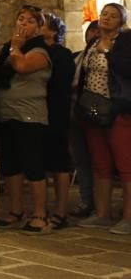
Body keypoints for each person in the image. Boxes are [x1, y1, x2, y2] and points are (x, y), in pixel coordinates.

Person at [0, 6, 52, 235]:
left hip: (29, 115)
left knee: (33, 165)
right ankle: (16, 211)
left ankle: (40, 215)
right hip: (7, 113)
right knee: (10, 165)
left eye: (29, 21)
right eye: (20, 19)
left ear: (38, 27)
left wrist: (15, 47)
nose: (23, 24)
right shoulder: (9, 49)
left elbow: (22, 66)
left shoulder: (40, 50)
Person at [77, 3, 131, 235]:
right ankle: (102, 213)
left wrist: (109, 51)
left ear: (121, 21)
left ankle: (129, 218)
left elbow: (127, 69)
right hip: (93, 109)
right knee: (100, 164)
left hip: (117, 108)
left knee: (126, 165)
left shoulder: (126, 42)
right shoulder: (92, 42)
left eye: (113, 15)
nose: (106, 18)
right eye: (104, 14)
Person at [42, 13, 77, 229]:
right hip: (38, 112)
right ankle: (42, 208)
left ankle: (61, 210)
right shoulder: (36, 50)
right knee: (42, 163)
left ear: (54, 31)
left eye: (41, 25)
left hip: (56, 112)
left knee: (59, 162)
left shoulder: (62, 55)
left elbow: (61, 85)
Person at [71, 21, 101, 218]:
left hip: (98, 114)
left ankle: (101, 203)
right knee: (81, 159)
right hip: (75, 113)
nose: (94, 35)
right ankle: (86, 200)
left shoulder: (106, 57)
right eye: (92, 31)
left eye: (98, 32)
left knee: (101, 161)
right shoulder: (76, 57)